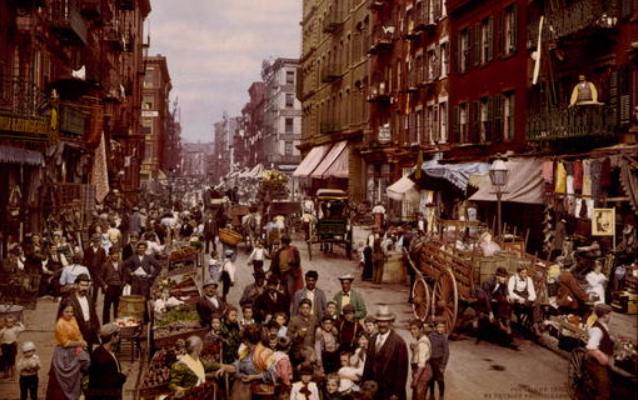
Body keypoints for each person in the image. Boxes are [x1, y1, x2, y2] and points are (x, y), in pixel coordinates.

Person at [46, 299, 91, 400]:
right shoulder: (60, 324)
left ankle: (81, 393)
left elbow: (78, 334)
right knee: (64, 378)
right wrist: (79, 343)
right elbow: (65, 343)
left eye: (71, 311)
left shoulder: (73, 319)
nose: (70, 314)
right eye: (67, 312)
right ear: (61, 312)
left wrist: (82, 343)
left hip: (76, 348)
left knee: (86, 364)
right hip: (64, 353)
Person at [362, 305, 408, 400]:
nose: (382, 325)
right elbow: (368, 364)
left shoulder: (399, 342)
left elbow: (402, 371)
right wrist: (364, 384)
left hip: (390, 391)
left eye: (385, 322)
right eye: (380, 321)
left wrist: (396, 392)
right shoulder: (373, 339)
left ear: (390, 322)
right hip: (373, 390)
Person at [169, 335, 235, 396]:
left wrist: (226, 367)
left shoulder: (200, 362)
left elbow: (214, 365)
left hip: (202, 395)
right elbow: (172, 384)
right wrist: (180, 390)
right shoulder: (180, 365)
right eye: (201, 346)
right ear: (197, 349)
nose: (202, 348)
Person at [230, 325, 275, 399]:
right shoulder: (245, 351)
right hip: (245, 389)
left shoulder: (265, 353)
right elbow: (238, 365)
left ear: (247, 341)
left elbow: (272, 374)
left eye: (244, 340)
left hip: (261, 393)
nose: (243, 342)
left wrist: (254, 377)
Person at [57, 273, 101, 350]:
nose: (84, 288)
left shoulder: (89, 298)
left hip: (89, 331)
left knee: (88, 354)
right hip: (75, 332)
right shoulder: (68, 300)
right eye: (82, 285)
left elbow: (93, 315)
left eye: (86, 286)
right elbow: (61, 318)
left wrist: (97, 330)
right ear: (76, 285)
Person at [87, 323, 127, 400]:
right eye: (117, 335)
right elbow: (109, 384)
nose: (119, 337)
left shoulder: (102, 351)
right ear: (112, 337)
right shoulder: (103, 358)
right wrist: (123, 375)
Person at [585, 304, 614, 400]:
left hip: (602, 358)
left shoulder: (602, 325)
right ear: (605, 315)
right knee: (604, 389)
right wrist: (602, 357)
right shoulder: (598, 330)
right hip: (596, 363)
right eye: (610, 315)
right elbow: (591, 348)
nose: (611, 317)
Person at [476, 267, 513, 342]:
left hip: (492, 294)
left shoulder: (502, 282)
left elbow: (505, 288)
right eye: (503, 277)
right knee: (482, 297)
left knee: (503, 299)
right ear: (497, 276)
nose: (505, 279)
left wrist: (507, 295)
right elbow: (487, 297)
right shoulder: (489, 281)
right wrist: (490, 312)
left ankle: (501, 319)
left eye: (505, 277)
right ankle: (478, 314)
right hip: (483, 294)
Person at [101, 247, 127, 324]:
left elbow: (125, 274)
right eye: (113, 254)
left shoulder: (122, 263)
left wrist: (123, 282)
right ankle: (106, 324)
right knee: (107, 307)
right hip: (109, 287)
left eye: (117, 254)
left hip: (119, 287)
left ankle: (117, 323)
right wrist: (104, 285)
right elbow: (100, 276)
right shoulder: (105, 265)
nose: (115, 256)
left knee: (117, 306)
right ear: (110, 255)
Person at [408, 320, 431, 400]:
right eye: (411, 329)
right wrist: (413, 349)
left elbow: (421, 364)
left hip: (422, 373)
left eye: (415, 329)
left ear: (421, 329)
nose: (412, 331)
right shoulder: (421, 339)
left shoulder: (422, 343)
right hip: (421, 372)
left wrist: (415, 380)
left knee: (419, 396)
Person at [428, 321, 449, 400]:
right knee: (431, 379)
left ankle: (441, 396)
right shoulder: (430, 336)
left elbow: (446, 352)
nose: (441, 329)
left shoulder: (444, 338)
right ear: (435, 328)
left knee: (440, 379)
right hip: (431, 361)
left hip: (439, 361)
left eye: (443, 327)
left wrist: (443, 365)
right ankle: (432, 394)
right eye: (439, 327)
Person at [84, 235, 108, 304]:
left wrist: (102, 270)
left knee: (96, 286)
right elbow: (85, 259)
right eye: (95, 241)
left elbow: (104, 261)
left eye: (97, 241)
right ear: (92, 242)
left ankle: (94, 301)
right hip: (89, 269)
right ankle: (87, 299)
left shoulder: (102, 250)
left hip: (98, 270)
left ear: (99, 242)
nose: (96, 243)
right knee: (88, 284)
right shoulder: (88, 249)